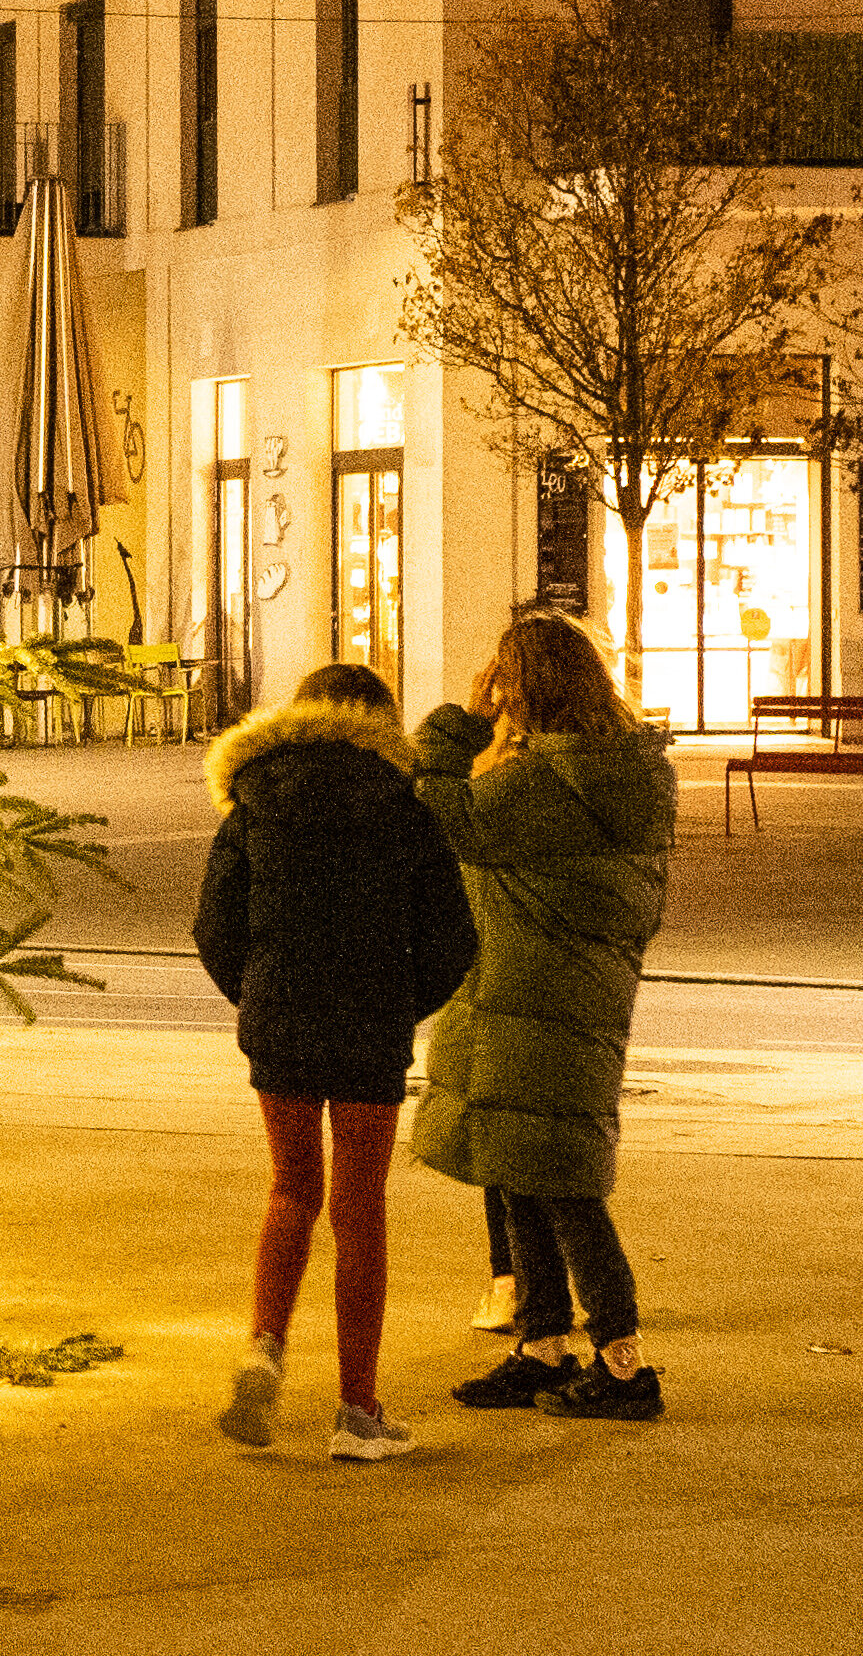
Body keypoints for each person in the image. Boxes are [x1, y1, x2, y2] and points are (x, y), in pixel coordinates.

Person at [194, 653, 477, 1463]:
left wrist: (256, 995)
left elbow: (215, 927)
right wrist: (402, 999)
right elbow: (453, 936)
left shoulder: (253, 801)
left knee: (291, 1189)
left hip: (280, 1017)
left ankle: (264, 1348)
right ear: (380, 724)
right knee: (361, 1211)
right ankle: (358, 1413)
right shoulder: (404, 807)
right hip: (368, 1024)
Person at [412, 604, 684, 1424]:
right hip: (563, 992)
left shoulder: (544, 783)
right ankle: (541, 1344)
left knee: (562, 1184)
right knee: (522, 1170)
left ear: (517, 686)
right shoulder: (624, 770)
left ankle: (624, 1363)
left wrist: (461, 721)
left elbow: (437, 813)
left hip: (537, 996)